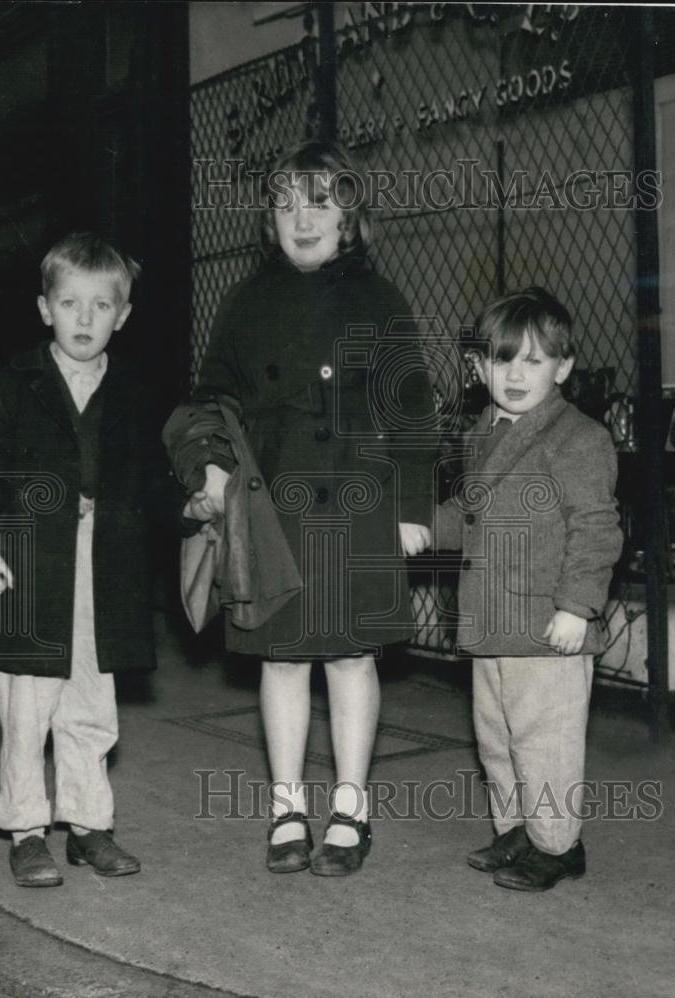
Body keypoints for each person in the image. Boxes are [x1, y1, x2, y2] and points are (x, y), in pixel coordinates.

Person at [174, 141, 435, 876]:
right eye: (285, 204)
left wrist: (413, 507)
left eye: (318, 201)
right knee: (282, 659)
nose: (301, 218)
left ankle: (350, 805)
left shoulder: (378, 299)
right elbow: (210, 401)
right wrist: (212, 471)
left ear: (350, 215)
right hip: (274, 503)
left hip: (359, 498)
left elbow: (412, 406)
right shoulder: (246, 300)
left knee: (351, 654)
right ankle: (287, 804)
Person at [0, 233, 157, 887]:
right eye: (70, 303)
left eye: (101, 306)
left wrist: (198, 510)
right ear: (46, 308)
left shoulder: (129, 390)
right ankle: (26, 829)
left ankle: (89, 824)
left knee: (92, 704)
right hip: (28, 565)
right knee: (28, 708)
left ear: (122, 316)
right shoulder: (14, 381)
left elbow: (148, 477)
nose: (85, 319)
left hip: (103, 564)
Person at [434, 287, 623, 891]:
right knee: (497, 739)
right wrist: (419, 528)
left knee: (546, 740)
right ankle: (516, 829)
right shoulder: (484, 431)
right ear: (478, 366)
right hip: (492, 622)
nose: (514, 375)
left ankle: (558, 844)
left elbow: (596, 529)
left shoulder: (580, 438)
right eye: (500, 359)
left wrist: (577, 607)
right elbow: (469, 510)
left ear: (563, 367)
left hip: (548, 627)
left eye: (533, 361)